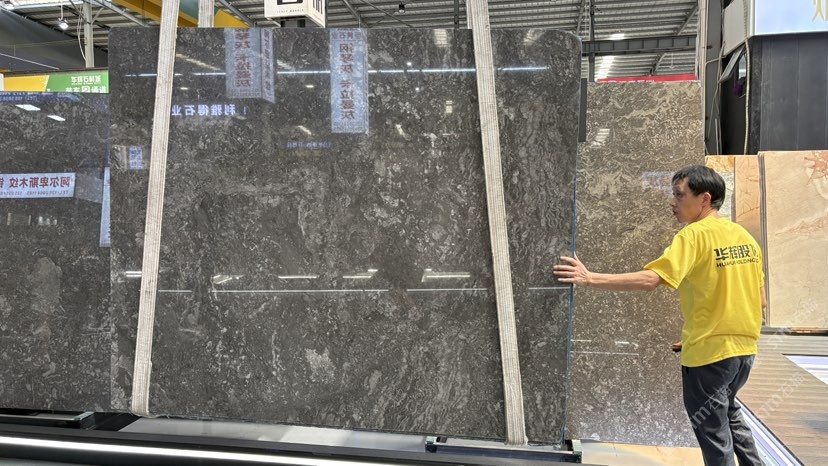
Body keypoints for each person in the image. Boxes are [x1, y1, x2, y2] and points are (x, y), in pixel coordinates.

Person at [553, 165, 766, 466]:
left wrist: (590, 278)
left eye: (680, 195)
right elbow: (760, 300)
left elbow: (651, 280)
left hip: (710, 357)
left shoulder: (693, 236)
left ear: (705, 199)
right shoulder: (744, 238)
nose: (672, 202)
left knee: (714, 435)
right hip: (744, 353)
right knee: (730, 416)